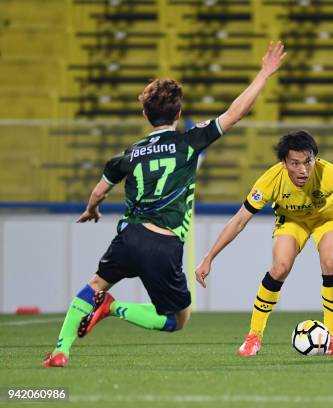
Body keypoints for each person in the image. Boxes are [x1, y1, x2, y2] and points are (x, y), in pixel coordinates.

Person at [42, 41, 286, 367]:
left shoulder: (127, 155)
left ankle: (61, 351)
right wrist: (264, 73)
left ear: (145, 115)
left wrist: (91, 210)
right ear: (179, 114)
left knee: (94, 285)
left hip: (128, 237)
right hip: (163, 241)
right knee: (177, 319)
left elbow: (99, 191)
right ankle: (112, 308)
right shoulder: (189, 143)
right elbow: (236, 112)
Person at [195, 130, 333, 356]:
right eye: (295, 163)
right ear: (284, 163)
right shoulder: (270, 180)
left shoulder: (330, 173)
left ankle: (332, 337)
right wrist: (209, 257)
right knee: (280, 267)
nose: (303, 169)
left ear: (315, 158)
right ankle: (254, 335)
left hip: (329, 217)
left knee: (330, 262)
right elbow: (239, 221)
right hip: (292, 220)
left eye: (308, 161)